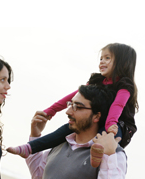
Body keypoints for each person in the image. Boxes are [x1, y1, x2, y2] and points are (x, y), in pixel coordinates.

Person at [13, 83, 127, 179]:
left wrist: (109, 155)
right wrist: (35, 134)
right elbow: (37, 174)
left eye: (77, 107)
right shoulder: (62, 142)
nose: (68, 111)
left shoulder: (114, 154)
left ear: (97, 116)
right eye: (70, 104)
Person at [8, 42, 137, 168]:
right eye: (101, 58)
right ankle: (30, 147)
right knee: (66, 128)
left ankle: (98, 155)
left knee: (108, 134)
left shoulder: (125, 86)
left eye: (107, 58)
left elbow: (117, 105)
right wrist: (51, 110)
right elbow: (74, 97)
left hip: (118, 123)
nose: (102, 61)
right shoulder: (97, 81)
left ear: (123, 63)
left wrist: (111, 124)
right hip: (98, 119)